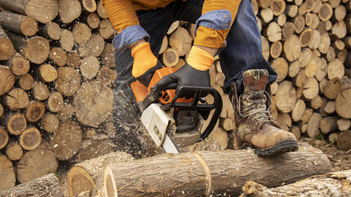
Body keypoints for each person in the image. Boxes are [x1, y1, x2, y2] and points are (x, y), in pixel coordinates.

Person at [101, 0, 299, 157]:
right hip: (140, 6)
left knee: (238, 10)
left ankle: (251, 116)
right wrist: (138, 47)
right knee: (130, 80)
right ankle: (128, 154)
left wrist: (200, 60)